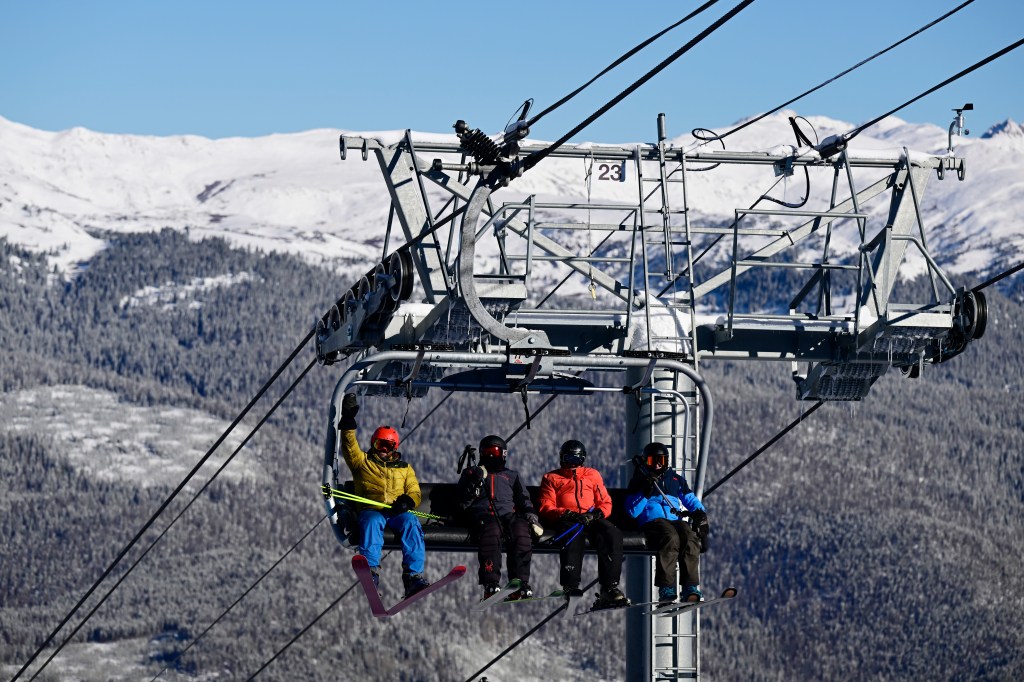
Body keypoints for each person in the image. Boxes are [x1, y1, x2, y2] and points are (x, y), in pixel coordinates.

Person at [338, 392, 430, 598]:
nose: (383, 450)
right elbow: (349, 447)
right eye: (380, 445)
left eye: (388, 446)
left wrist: (407, 502)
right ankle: (371, 572)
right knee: (371, 522)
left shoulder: (405, 468)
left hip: (397, 512)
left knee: (411, 522)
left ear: (394, 448)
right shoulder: (363, 463)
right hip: (372, 510)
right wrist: (348, 420)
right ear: (373, 444)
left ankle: (413, 576)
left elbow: (414, 491)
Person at [538, 439, 628, 608]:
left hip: (590, 518)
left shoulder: (592, 475)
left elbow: (605, 502)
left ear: (583, 460)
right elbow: (546, 507)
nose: (572, 464)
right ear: (561, 459)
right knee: (573, 536)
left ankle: (609, 587)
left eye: (576, 460)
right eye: (568, 459)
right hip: (568, 520)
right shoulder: (552, 478)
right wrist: (568, 513)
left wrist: (595, 515)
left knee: (612, 534)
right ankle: (570, 585)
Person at [457, 435, 543, 602]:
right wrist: (475, 479)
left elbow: (524, 500)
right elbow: (462, 502)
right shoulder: (471, 473)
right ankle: (491, 583)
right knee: (492, 531)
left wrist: (532, 518)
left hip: (508, 515)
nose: (490, 456)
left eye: (494, 452)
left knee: (520, 531)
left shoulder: (511, 476)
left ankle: (520, 582)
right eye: (487, 452)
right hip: (482, 516)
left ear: (503, 454)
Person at [624, 441, 710, 605]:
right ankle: (667, 587)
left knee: (689, 537)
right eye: (652, 461)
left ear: (666, 461)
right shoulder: (639, 480)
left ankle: (690, 587)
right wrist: (645, 492)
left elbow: (690, 499)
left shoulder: (675, 479)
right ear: (646, 461)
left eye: (661, 461)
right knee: (670, 537)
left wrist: (700, 514)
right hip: (652, 521)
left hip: (674, 519)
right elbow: (632, 511)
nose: (657, 465)